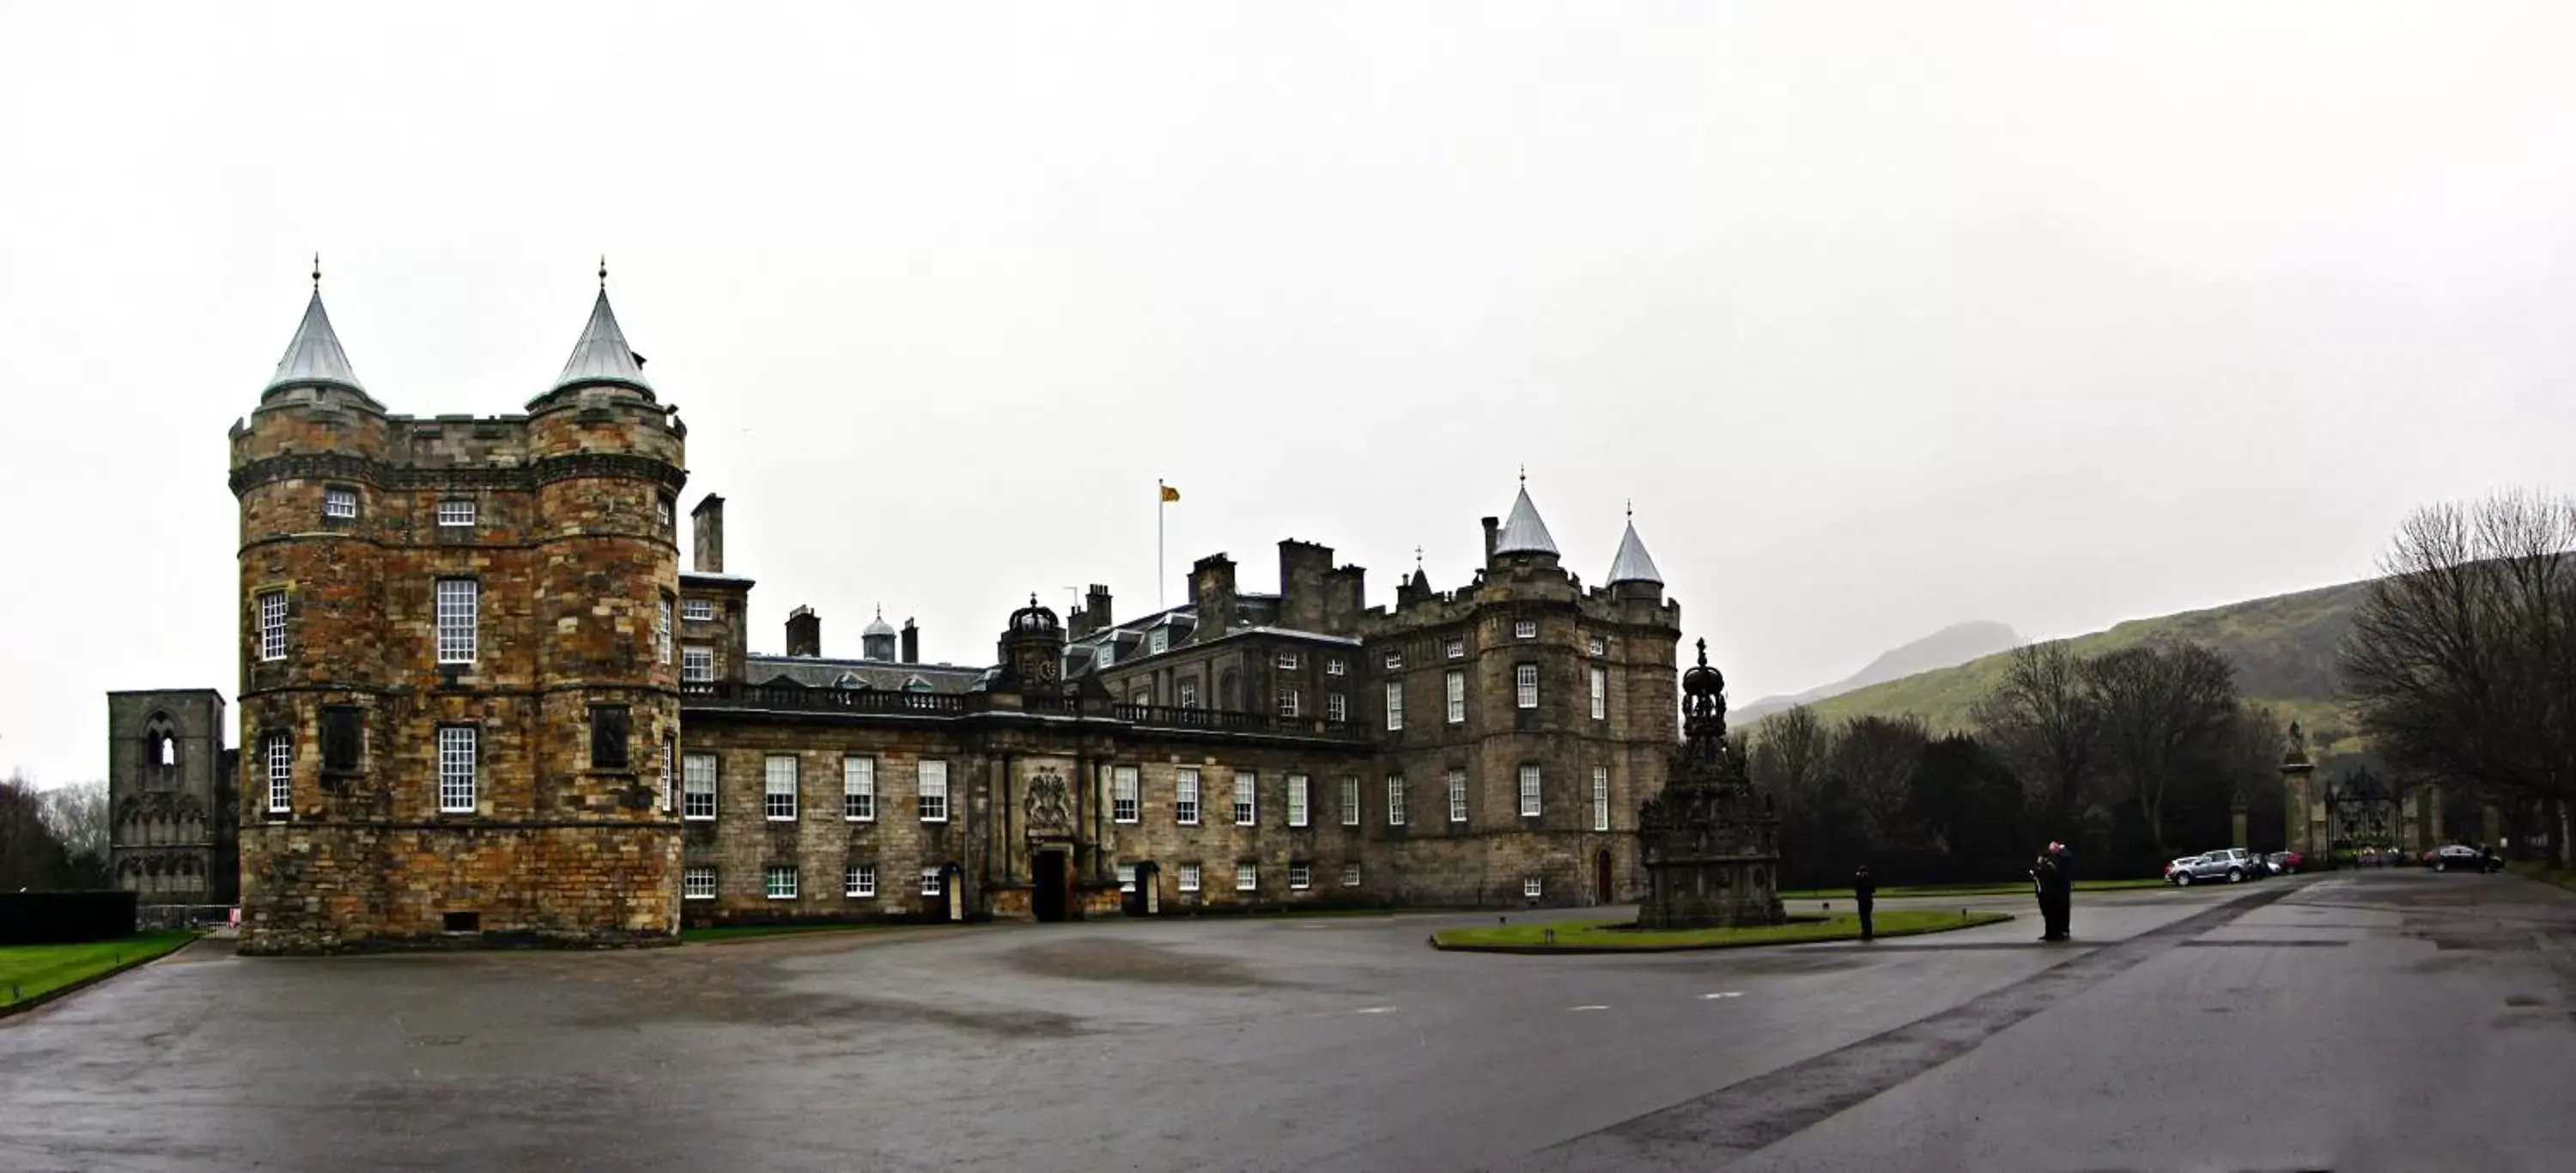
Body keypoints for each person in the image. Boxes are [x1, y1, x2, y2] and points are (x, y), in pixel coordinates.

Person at [2030, 849, 2063, 942]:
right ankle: (2052, 933)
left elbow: (2039, 874)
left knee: (2049, 914)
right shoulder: (2050, 866)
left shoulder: (2047, 867)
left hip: (2047, 894)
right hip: (2048, 893)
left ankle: (2052, 933)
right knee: (2050, 914)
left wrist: (2035, 872)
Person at [1852, 864, 1878, 942]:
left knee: (1863, 917)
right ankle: (1869, 933)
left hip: (1862, 900)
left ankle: (1864, 932)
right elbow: (1874, 890)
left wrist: (1857, 878)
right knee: (1867, 917)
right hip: (1869, 900)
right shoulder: (1869, 879)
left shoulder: (1859, 879)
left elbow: (1856, 888)